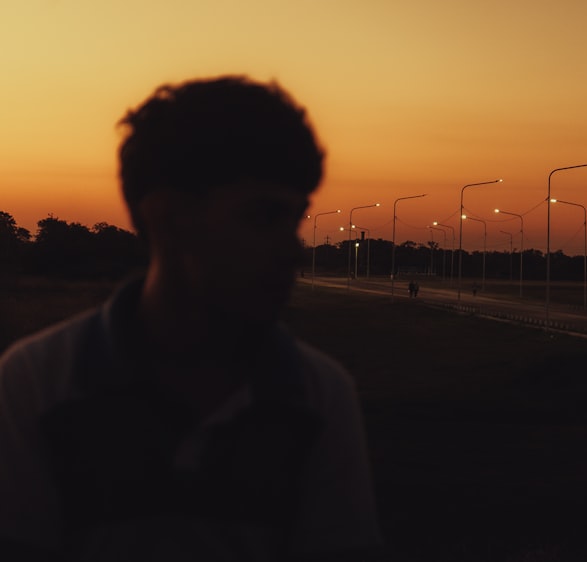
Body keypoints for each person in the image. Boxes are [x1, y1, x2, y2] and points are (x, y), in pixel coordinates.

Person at [0, 76, 381, 560]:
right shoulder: (38, 383)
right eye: (263, 217)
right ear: (167, 217)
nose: (292, 250)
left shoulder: (319, 395)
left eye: (294, 220)